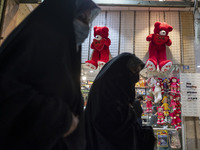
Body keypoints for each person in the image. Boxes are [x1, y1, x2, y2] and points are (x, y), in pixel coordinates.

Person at [0, 0, 100, 150]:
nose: (86, 27)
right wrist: (62, 119)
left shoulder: (61, 56)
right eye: (82, 19)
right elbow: (8, 93)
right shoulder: (36, 44)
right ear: (62, 18)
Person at [85, 53, 155, 150]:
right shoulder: (109, 95)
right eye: (135, 71)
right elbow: (116, 133)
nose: (137, 77)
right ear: (122, 71)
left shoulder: (111, 91)